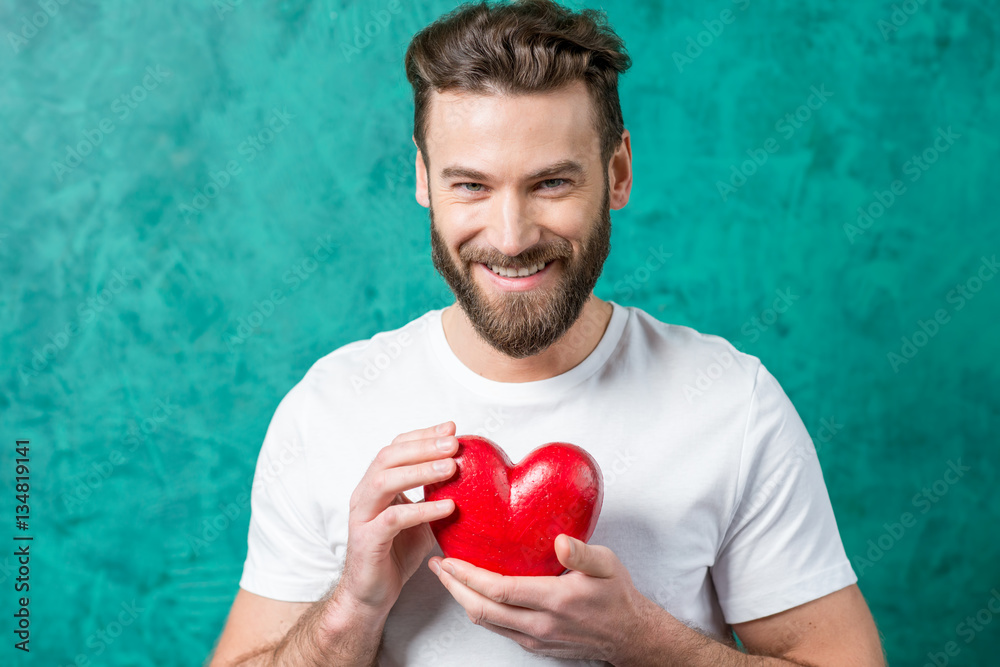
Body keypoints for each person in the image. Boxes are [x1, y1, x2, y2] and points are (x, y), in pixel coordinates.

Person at [210, 1, 886, 664]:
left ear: (617, 172)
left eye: (552, 182)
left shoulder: (734, 404)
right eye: (471, 185)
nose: (510, 237)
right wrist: (352, 609)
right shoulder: (328, 408)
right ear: (422, 178)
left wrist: (644, 642)